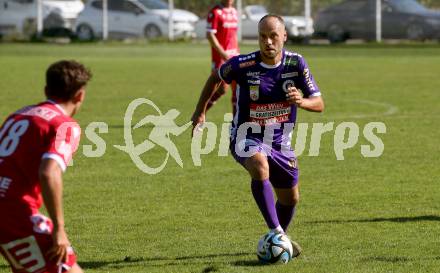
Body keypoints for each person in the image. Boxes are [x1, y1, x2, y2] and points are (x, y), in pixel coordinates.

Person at [192, 15, 324, 256]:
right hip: (245, 135)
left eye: (273, 35)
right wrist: (200, 112)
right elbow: (216, 77)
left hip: (280, 141)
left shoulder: (296, 64)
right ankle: (276, 233)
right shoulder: (243, 65)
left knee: (290, 199)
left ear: (284, 36)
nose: (268, 42)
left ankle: (277, 241)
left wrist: (301, 101)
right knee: (259, 165)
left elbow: (319, 102)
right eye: (263, 36)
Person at [0, 60, 92, 273]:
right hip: (13, 213)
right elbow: (49, 172)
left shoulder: (19, 115)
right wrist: (59, 229)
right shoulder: (65, 125)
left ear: (46, 90)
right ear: (80, 96)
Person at [206, 0, 239, 114]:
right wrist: (223, 53)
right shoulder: (215, 12)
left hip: (234, 55)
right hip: (221, 57)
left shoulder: (234, 12)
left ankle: (237, 121)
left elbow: (233, 36)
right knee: (221, 89)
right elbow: (210, 35)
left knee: (237, 88)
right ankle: (201, 112)